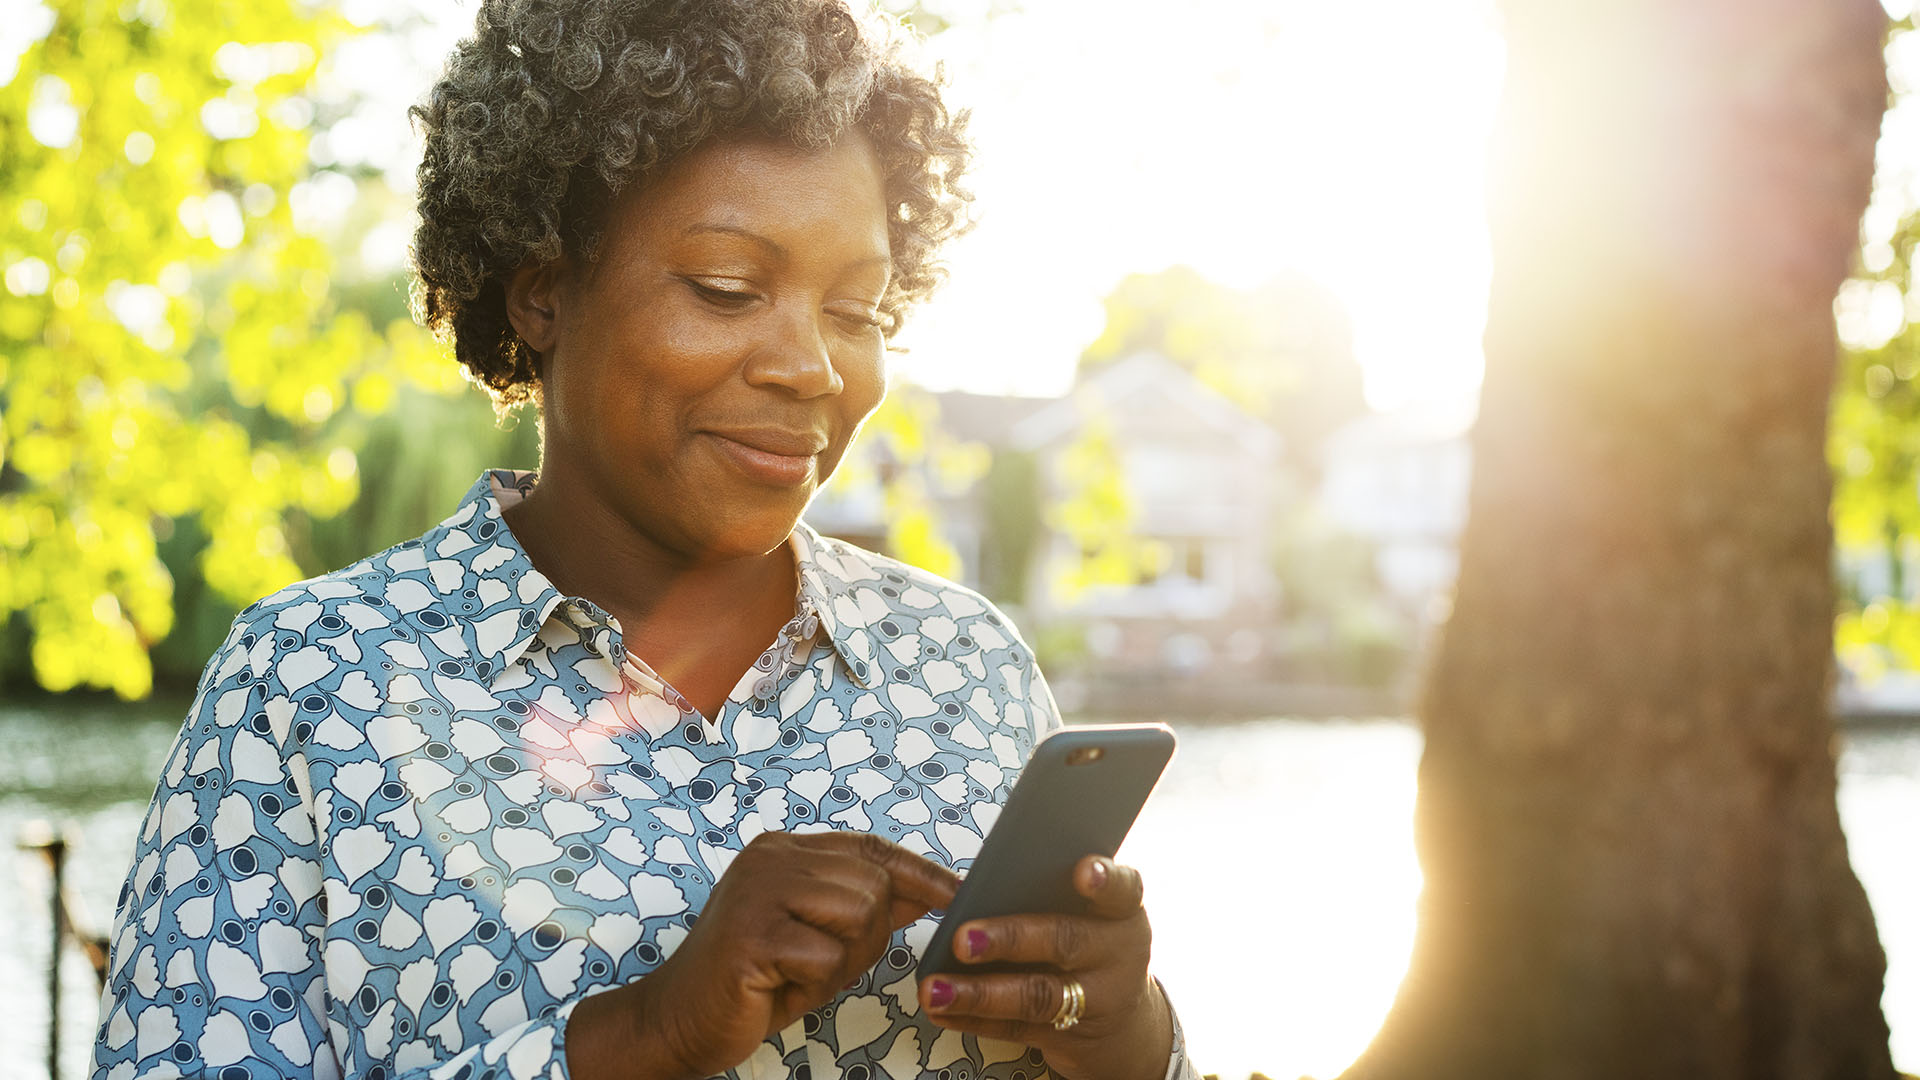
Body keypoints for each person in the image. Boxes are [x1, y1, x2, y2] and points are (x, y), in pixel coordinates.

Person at [89, 2, 1199, 1079]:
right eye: (727, 289)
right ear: (540, 293)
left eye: (857, 310)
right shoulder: (313, 686)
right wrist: (649, 1035)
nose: (810, 366)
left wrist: (1129, 1040)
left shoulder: (966, 666)